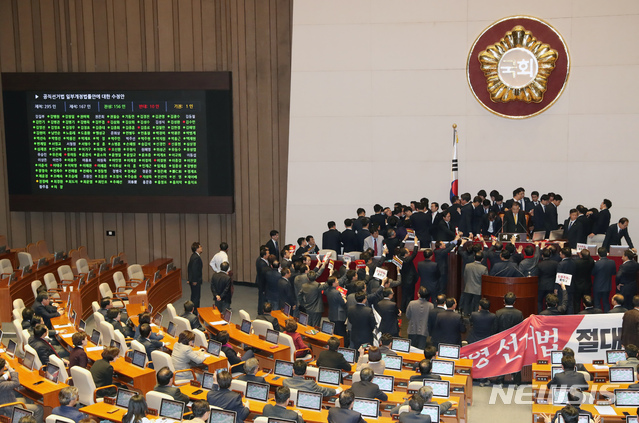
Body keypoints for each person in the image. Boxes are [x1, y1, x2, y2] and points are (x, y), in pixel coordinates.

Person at [0, 358, 44, 423]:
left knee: (29, 399)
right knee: (39, 409)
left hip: (5, 401)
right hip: (8, 408)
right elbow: (16, 383)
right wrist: (10, 370)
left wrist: (5, 376)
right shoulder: (2, 384)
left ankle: (29, 417)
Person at [461, 251, 488, 315]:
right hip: (478, 289)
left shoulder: (467, 266)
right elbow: (485, 280)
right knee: (477, 305)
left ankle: (466, 318)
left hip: (468, 287)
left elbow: (465, 276)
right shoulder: (484, 268)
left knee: (467, 304)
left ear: (474, 257)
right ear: (482, 259)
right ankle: (475, 318)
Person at [593, 247, 617, 312]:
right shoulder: (612, 262)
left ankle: (598, 317)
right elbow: (614, 273)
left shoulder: (596, 263)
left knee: (597, 303)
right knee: (606, 303)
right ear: (606, 253)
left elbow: (592, 273)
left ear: (598, 254)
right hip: (607, 285)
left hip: (597, 286)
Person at [187, 241, 204, 309]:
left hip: (194, 280)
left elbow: (189, 268)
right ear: (197, 248)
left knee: (194, 295)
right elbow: (194, 270)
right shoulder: (196, 257)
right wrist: (193, 280)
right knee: (196, 296)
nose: (201, 248)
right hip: (195, 281)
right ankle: (195, 310)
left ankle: (193, 309)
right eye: (200, 247)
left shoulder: (193, 256)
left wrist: (189, 279)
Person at [255, 246, 270, 316]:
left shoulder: (262, 261)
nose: (269, 254)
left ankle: (260, 310)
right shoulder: (262, 264)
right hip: (262, 283)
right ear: (264, 255)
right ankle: (261, 311)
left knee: (261, 297)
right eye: (268, 253)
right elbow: (264, 275)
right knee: (262, 298)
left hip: (261, 282)